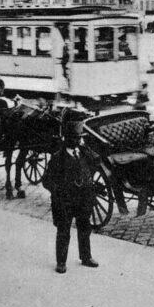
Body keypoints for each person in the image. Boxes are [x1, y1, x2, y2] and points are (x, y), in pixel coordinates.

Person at [41, 115, 99, 274]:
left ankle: (86, 257)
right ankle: (61, 262)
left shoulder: (83, 152)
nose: (77, 141)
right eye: (74, 138)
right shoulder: (57, 157)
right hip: (65, 201)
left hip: (83, 199)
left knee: (84, 228)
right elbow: (46, 180)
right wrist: (58, 191)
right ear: (66, 138)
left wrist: (84, 147)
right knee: (63, 231)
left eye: (79, 138)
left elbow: (97, 161)